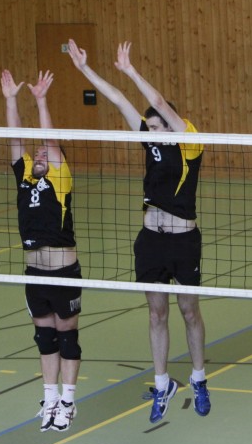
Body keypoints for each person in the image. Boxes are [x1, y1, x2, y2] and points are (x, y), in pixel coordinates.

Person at [67, 39, 211, 423]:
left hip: (184, 241)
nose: (151, 130)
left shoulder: (190, 142)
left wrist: (130, 70)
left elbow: (159, 102)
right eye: (150, 126)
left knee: (189, 311)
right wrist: (84, 69)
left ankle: (199, 378)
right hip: (150, 240)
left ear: (172, 124)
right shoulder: (149, 139)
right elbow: (117, 99)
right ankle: (162, 384)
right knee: (156, 313)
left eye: (158, 125)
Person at [1, 69, 82, 433]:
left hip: (63, 272)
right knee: (44, 338)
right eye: (37, 152)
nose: (39, 153)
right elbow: (15, 137)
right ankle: (49, 399)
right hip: (34, 272)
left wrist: (41, 100)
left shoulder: (60, 180)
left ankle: (68, 401)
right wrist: (10, 100)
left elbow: (49, 139)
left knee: (67, 336)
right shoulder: (24, 177)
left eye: (45, 153)